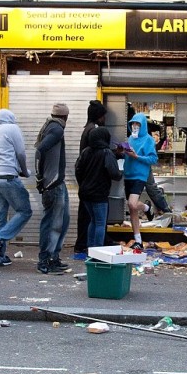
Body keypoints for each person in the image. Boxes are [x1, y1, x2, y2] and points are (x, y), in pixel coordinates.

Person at [0, 109, 32, 268]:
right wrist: (25, 171)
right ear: (10, 118)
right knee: (25, 210)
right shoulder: (12, 128)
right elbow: (20, 153)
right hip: (7, 177)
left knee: (1, 215)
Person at [34, 103, 71, 275]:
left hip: (56, 184)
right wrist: (40, 178)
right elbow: (40, 151)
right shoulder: (57, 130)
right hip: (53, 185)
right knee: (52, 224)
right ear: (65, 117)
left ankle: (53, 257)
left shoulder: (50, 126)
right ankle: (45, 259)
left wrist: (40, 177)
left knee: (62, 221)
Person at [75, 126, 123, 249]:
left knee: (93, 220)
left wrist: (84, 183)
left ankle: (91, 248)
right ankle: (98, 250)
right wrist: (122, 173)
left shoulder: (86, 151)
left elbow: (78, 170)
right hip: (99, 193)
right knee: (101, 223)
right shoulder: (106, 153)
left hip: (85, 193)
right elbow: (114, 174)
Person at [74, 100, 108, 259]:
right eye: (103, 116)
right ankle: (93, 249)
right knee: (96, 220)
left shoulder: (86, 129)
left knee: (88, 217)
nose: (104, 119)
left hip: (86, 182)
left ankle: (86, 246)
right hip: (94, 183)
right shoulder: (93, 131)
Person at [122, 112, 159, 250]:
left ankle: (146, 208)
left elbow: (153, 159)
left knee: (132, 204)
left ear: (143, 125)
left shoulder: (149, 140)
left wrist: (137, 157)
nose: (135, 126)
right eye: (133, 124)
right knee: (132, 208)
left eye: (138, 124)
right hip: (128, 175)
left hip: (140, 176)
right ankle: (138, 239)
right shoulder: (130, 138)